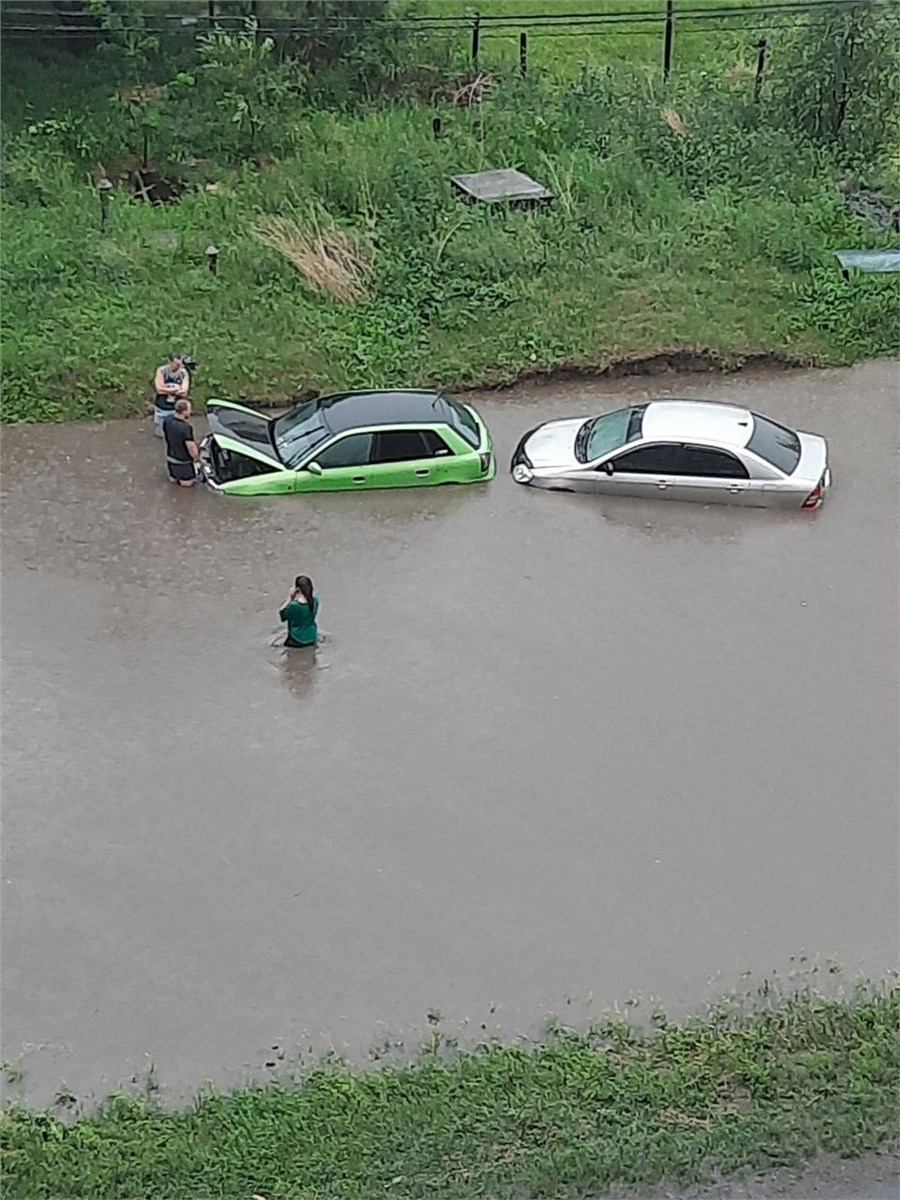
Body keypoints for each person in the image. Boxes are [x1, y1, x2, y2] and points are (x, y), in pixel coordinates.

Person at [163, 398, 200, 487]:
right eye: (189, 409)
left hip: (171, 461)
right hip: (183, 464)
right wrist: (197, 458)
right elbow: (191, 447)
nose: (191, 411)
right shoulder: (186, 428)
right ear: (184, 411)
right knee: (188, 487)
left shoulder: (167, 421)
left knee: (173, 484)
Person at [153, 352, 190, 437]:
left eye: (180, 364)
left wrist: (166, 389)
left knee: (175, 435)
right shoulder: (162, 371)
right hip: (162, 407)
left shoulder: (183, 373)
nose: (179, 366)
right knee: (160, 434)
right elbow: (159, 389)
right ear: (170, 362)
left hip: (175, 409)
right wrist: (175, 390)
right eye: (176, 364)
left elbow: (184, 391)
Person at [279, 575, 319, 648]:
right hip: (312, 637)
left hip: (297, 639)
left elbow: (282, 615)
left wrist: (290, 598)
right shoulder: (315, 601)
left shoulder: (294, 605)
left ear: (297, 589)